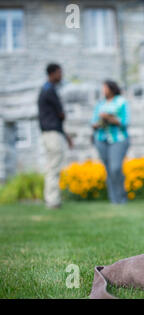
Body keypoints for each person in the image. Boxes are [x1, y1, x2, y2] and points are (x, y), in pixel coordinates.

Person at [38, 63, 73, 209]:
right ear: (52, 74)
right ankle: (53, 201)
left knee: (51, 166)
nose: (61, 75)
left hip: (49, 133)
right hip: (52, 134)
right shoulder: (50, 90)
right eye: (59, 72)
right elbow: (61, 114)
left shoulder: (45, 89)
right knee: (54, 167)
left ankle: (50, 199)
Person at [91, 80, 130, 204]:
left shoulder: (121, 102)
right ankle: (114, 200)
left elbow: (125, 122)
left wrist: (109, 118)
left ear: (112, 89)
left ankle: (122, 198)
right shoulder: (100, 104)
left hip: (118, 139)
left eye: (105, 88)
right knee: (108, 170)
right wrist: (99, 122)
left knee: (115, 168)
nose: (103, 90)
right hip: (101, 140)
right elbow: (93, 122)